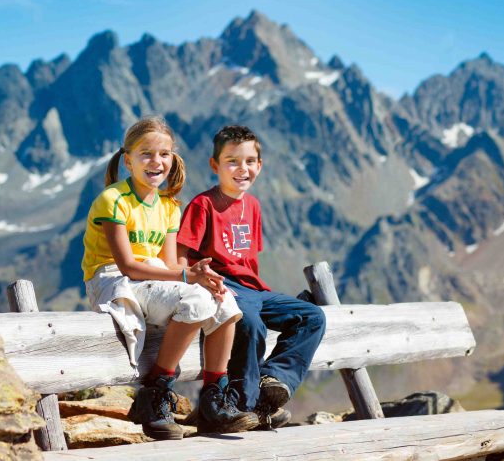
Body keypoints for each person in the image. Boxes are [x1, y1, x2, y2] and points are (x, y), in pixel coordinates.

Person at [81, 117, 258, 440]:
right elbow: (128, 266)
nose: (156, 161)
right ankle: (155, 393)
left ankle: (213, 399)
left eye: (164, 154)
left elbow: (170, 264)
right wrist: (185, 277)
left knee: (223, 299)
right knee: (193, 300)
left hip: (150, 278)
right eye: (145, 153)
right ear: (128, 160)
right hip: (112, 280)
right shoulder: (113, 199)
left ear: (173, 159)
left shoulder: (169, 206)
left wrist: (200, 276)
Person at [177, 125, 326, 429]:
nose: (241, 169)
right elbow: (182, 257)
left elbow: (248, 261)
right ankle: (238, 406)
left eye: (249, 161)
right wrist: (195, 279)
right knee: (250, 321)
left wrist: (257, 295)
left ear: (259, 165)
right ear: (214, 165)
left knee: (312, 317)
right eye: (232, 161)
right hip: (220, 284)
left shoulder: (253, 206)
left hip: (253, 289)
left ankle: (272, 381)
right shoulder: (203, 205)